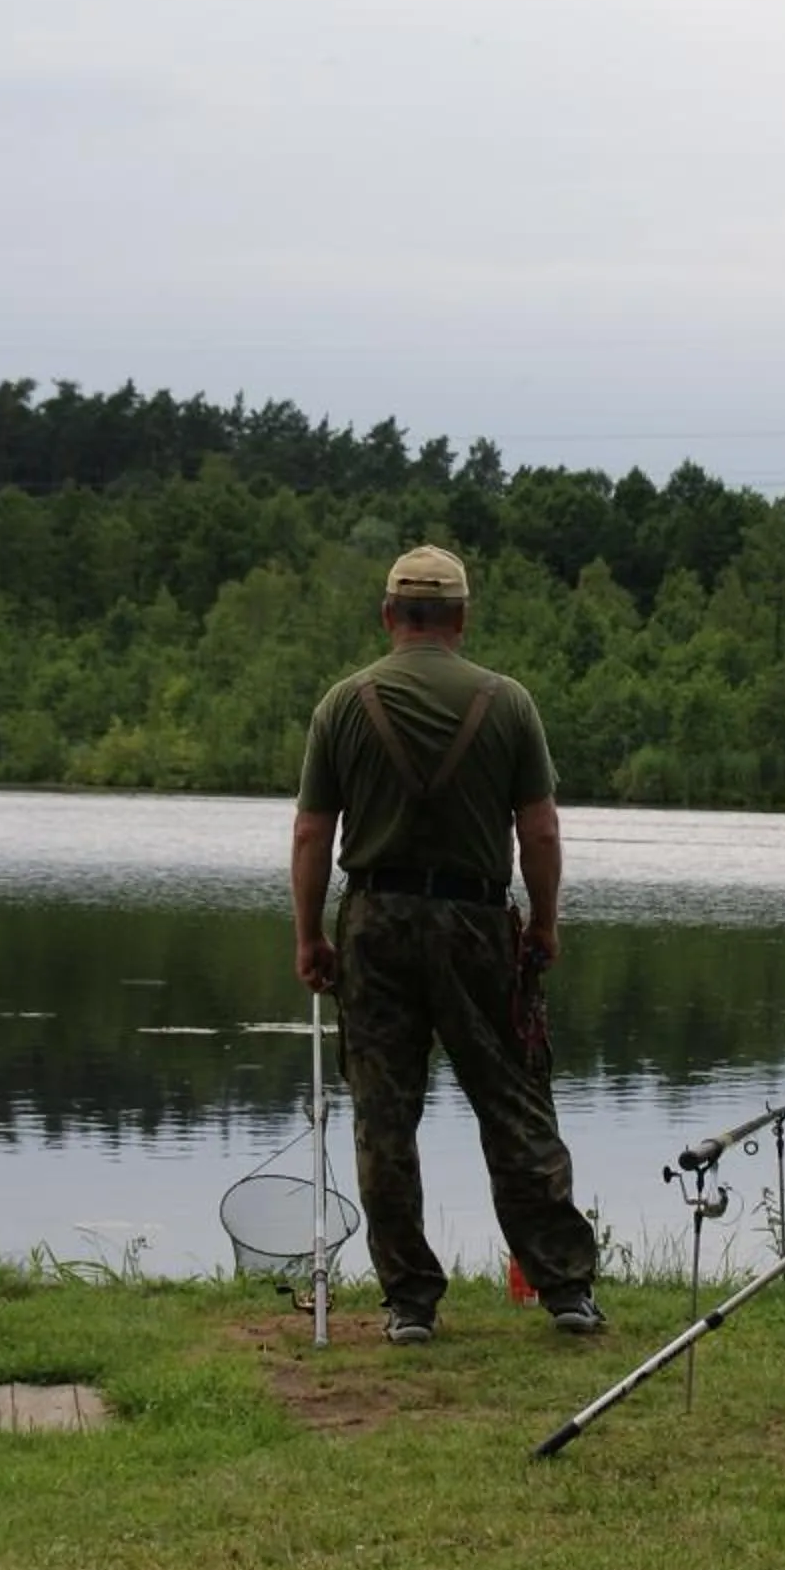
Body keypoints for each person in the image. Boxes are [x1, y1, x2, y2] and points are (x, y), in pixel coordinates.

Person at [291, 543, 605, 1345]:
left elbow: (312, 833)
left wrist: (310, 935)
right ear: (462, 619)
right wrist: (543, 921)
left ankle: (410, 1304)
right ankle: (565, 1287)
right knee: (513, 1104)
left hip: (375, 922)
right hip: (474, 925)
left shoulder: (342, 704)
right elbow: (539, 830)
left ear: (390, 616)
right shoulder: (507, 704)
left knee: (385, 1118)